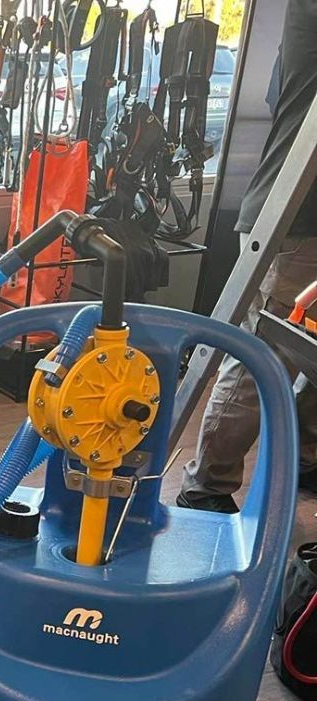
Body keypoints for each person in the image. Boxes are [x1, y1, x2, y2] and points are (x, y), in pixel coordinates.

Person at [178, 0, 317, 512]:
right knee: (264, 354)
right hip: (293, 219)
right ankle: (206, 487)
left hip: (295, 214)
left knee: (309, 351)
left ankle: (304, 456)